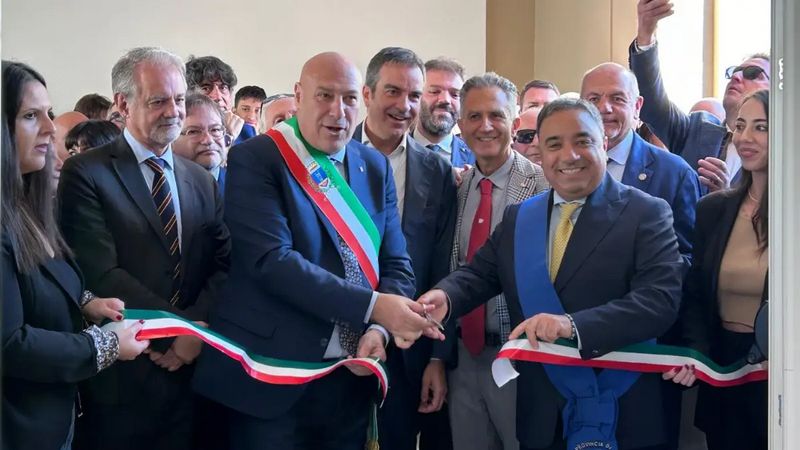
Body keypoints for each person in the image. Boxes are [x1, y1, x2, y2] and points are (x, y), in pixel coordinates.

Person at [192, 51, 442, 450]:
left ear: (362, 99)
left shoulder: (373, 166)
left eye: (349, 98)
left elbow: (397, 263)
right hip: (271, 378)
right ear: (299, 95)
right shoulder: (257, 158)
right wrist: (376, 308)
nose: (338, 111)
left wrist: (378, 329)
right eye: (325, 95)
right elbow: (272, 262)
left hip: (349, 378)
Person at [421, 98, 685, 450]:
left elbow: (659, 302)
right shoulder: (519, 217)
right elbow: (479, 275)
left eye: (582, 141)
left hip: (623, 406)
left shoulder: (647, 212)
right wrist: (445, 297)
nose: (568, 156)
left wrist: (570, 326)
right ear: (540, 152)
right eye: (554, 144)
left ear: (604, 142)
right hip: (543, 414)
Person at [58, 47, 231, 450]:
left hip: (194, 379)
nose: (173, 111)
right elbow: (101, 272)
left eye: (179, 99)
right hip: (125, 379)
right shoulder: (86, 172)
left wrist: (194, 335)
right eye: (158, 101)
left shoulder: (200, 180)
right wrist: (178, 333)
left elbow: (222, 265)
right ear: (123, 103)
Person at [1, 60, 148, 450]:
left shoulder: (26, 205)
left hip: (51, 420)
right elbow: (8, 344)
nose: (50, 128)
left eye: (48, 113)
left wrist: (85, 302)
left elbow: (34, 282)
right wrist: (104, 345)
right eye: (31, 116)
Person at [355, 47, 458, 450]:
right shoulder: (327, 155)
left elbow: (441, 267)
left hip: (405, 347)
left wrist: (436, 357)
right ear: (367, 93)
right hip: (331, 340)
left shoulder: (436, 170)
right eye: (393, 92)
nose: (404, 106)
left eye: (414, 96)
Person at [446, 72, 549, 450]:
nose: (485, 126)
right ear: (460, 126)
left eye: (496, 115)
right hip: (463, 359)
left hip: (521, 356)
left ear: (516, 122)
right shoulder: (455, 189)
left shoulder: (544, 186)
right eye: (474, 116)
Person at [666, 89, 770, 450]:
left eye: (761, 127)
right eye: (740, 126)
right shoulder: (713, 208)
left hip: (781, 374)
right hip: (723, 369)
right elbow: (696, 293)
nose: (746, 137)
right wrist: (696, 353)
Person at [629, 0, 769, 193]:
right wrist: (646, 33)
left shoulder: (784, 152)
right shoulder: (696, 131)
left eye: (752, 73)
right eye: (734, 71)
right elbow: (652, 104)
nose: (736, 77)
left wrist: (725, 198)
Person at [580, 62, 700, 262]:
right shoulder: (563, 166)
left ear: (637, 107)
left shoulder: (674, 174)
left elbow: (689, 258)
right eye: (593, 99)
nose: (604, 108)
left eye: (617, 98)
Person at [411, 57, 475, 168]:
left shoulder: (477, 159)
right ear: (417, 96)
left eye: (455, 94)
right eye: (434, 91)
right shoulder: (391, 153)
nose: (445, 100)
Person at [185, 55, 254, 145]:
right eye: (205, 88)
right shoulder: (181, 132)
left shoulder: (246, 132)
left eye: (223, 88)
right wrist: (228, 137)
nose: (217, 97)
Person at [173, 94, 227, 190]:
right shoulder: (164, 189)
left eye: (215, 130)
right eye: (193, 132)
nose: (208, 140)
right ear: (171, 141)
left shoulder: (242, 183)